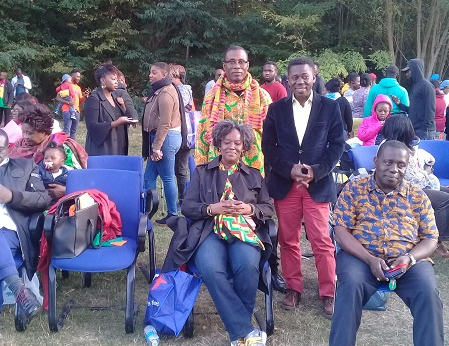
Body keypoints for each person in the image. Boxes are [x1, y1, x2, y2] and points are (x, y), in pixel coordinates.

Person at [163, 120, 274, 346]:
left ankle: (239, 331)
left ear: (244, 147)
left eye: (237, 143)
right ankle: (244, 331)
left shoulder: (254, 175)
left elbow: (269, 207)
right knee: (211, 269)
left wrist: (249, 208)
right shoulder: (203, 172)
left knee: (247, 265)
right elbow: (187, 207)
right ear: (218, 144)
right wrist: (212, 208)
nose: (232, 147)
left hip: (243, 230)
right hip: (208, 230)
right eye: (227, 142)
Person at [329, 140, 443, 346]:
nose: (394, 169)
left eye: (401, 165)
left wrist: (410, 258)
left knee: (428, 292)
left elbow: (430, 238)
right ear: (376, 161)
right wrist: (370, 259)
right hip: (361, 258)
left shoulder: (417, 196)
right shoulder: (355, 188)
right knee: (350, 285)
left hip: (408, 261)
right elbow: (340, 230)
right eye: (388, 162)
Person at [262, 56, 345, 317]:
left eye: (304, 76)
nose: (300, 81)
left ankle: (328, 292)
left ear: (314, 75)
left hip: (317, 185)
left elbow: (337, 145)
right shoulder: (276, 110)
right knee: (288, 240)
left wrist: (316, 171)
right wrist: (288, 169)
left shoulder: (329, 109)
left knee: (322, 240)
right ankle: (293, 288)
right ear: (288, 79)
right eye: (294, 77)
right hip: (286, 185)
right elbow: (268, 147)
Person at [0, 127, 52, 346]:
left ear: (8, 148)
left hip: (8, 232)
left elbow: (43, 199)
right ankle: (19, 289)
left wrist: (12, 196)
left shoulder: (25, 166)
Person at [195, 45, 271, 173]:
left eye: (241, 62)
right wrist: (200, 170)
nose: (237, 66)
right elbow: (202, 135)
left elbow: (271, 134)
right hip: (220, 164)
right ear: (224, 66)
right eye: (232, 62)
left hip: (253, 165)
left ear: (247, 65)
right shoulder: (212, 97)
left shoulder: (262, 96)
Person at [382, 114, 449, 257]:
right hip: (403, 189)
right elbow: (413, 179)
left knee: (446, 194)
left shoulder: (398, 146)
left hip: (414, 185)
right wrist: (427, 171)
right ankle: (436, 241)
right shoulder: (397, 149)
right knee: (444, 200)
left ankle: (437, 237)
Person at [9, 103, 87, 200]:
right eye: (23, 132)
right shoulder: (19, 146)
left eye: (30, 133)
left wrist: (66, 190)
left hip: (56, 202)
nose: (25, 137)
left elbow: (81, 178)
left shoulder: (60, 148)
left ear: (44, 132)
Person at [143, 62, 183, 224]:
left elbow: (165, 122)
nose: (150, 75)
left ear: (164, 75)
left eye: (154, 73)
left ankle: (172, 214)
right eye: (150, 72)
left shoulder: (166, 93)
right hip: (160, 138)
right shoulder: (159, 91)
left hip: (165, 139)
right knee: (148, 177)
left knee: (167, 177)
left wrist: (157, 147)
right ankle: (146, 210)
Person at [84, 63, 135, 156]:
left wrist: (123, 106)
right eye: (113, 79)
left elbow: (128, 118)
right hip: (103, 150)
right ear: (103, 80)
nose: (117, 82)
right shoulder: (94, 99)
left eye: (116, 79)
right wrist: (115, 123)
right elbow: (92, 127)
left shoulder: (116, 98)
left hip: (119, 148)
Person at [170, 64, 192, 208]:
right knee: (175, 168)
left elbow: (178, 107)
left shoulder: (184, 90)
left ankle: (183, 199)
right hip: (174, 131)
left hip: (183, 133)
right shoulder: (171, 90)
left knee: (181, 168)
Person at [402, 59, 436, 140]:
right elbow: (414, 110)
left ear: (415, 70)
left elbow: (430, 110)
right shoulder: (415, 86)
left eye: (408, 71)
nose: (407, 74)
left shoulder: (427, 86)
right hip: (415, 129)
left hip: (425, 131)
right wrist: (400, 104)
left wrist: (424, 129)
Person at [55, 69, 89, 140]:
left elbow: (79, 101)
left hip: (76, 111)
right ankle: (63, 147)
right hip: (67, 110)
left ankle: (73, 148)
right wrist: (67, 102)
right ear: (72, 76)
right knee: (67, 130)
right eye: (77, 76)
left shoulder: (78, 88)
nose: (78, 78)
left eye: (79, 77)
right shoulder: (66, 85)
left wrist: (85, 96)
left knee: (73, 131)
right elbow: (57, 98)